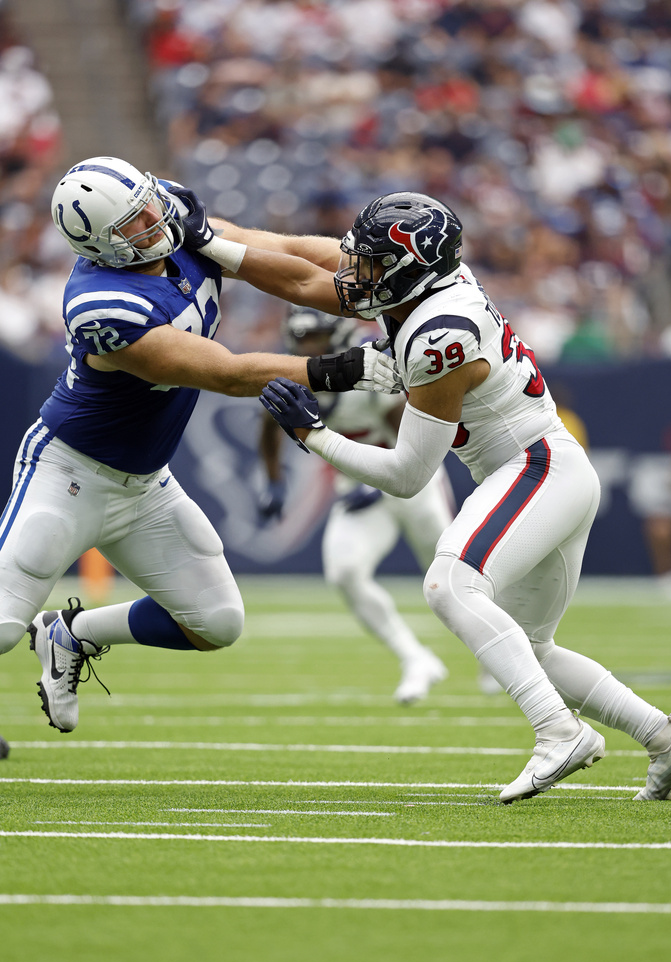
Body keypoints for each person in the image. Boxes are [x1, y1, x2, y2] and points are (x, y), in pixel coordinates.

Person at [191, 189, 671, 803]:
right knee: (530, 649)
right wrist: (205, 234)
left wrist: (311, 436)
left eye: (370, 263)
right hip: (547, 470)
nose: (354, 274)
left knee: (449, 583)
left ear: (408, 266)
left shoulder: (438, 336)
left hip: (535, 468)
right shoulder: (426, 285)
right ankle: (666, 740)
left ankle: (559, 731)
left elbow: (406, 475)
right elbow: (296, 261)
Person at [0, 156, 398, 734]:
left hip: (145, 484)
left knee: (215, 622)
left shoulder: (172, 217)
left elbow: (279, 253)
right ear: (101, 247)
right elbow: (228, 374)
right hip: (70, 474)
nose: (154, 223)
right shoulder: (102, 305)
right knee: (3, 626)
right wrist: (340, 368)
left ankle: (70, 634)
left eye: (148, 207)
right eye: (134, 225)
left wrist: (381, 270)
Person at [260, 304, 454, 704]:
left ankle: (500, 659)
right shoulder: (295, 372)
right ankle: (414, 658)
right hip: (359, 489)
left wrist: (382, 479)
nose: (309, 348)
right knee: (345, 571)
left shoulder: (368, 365)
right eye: (302, 340)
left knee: (449, 574)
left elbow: (411, 440)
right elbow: (269, 422)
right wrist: (273, 481)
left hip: (412, 479)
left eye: (316, 338)